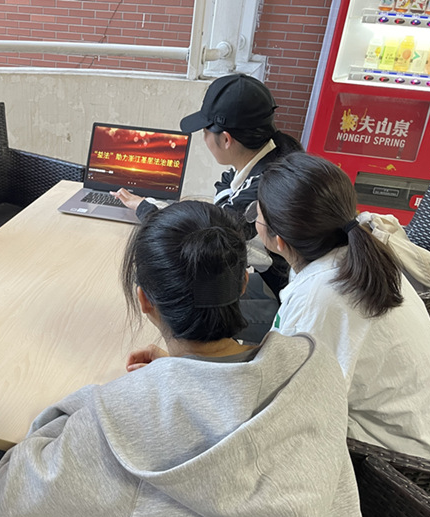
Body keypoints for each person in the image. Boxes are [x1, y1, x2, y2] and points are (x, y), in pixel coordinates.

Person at [0, 201, 394, 517]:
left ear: (144, 300)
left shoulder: (119, 427)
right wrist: (181, 374)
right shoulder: (315, 367)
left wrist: (101, 402)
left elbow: (10, 493)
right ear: (242, 284)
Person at [253, 152, 430, 461]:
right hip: (401, 434)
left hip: (389, 466)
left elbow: (291, 407)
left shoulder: (323, 294)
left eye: (257, 217)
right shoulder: (359, 257)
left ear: (279, 241)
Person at [114, 73, 302, 342]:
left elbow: (198, 240)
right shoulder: (275, 154)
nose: (204, 138)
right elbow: (223, 195)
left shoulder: (262, 191)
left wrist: (146, 209)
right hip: (274, 280)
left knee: (176, 301)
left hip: (283, 304)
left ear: (226, 139)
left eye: (205, 131)